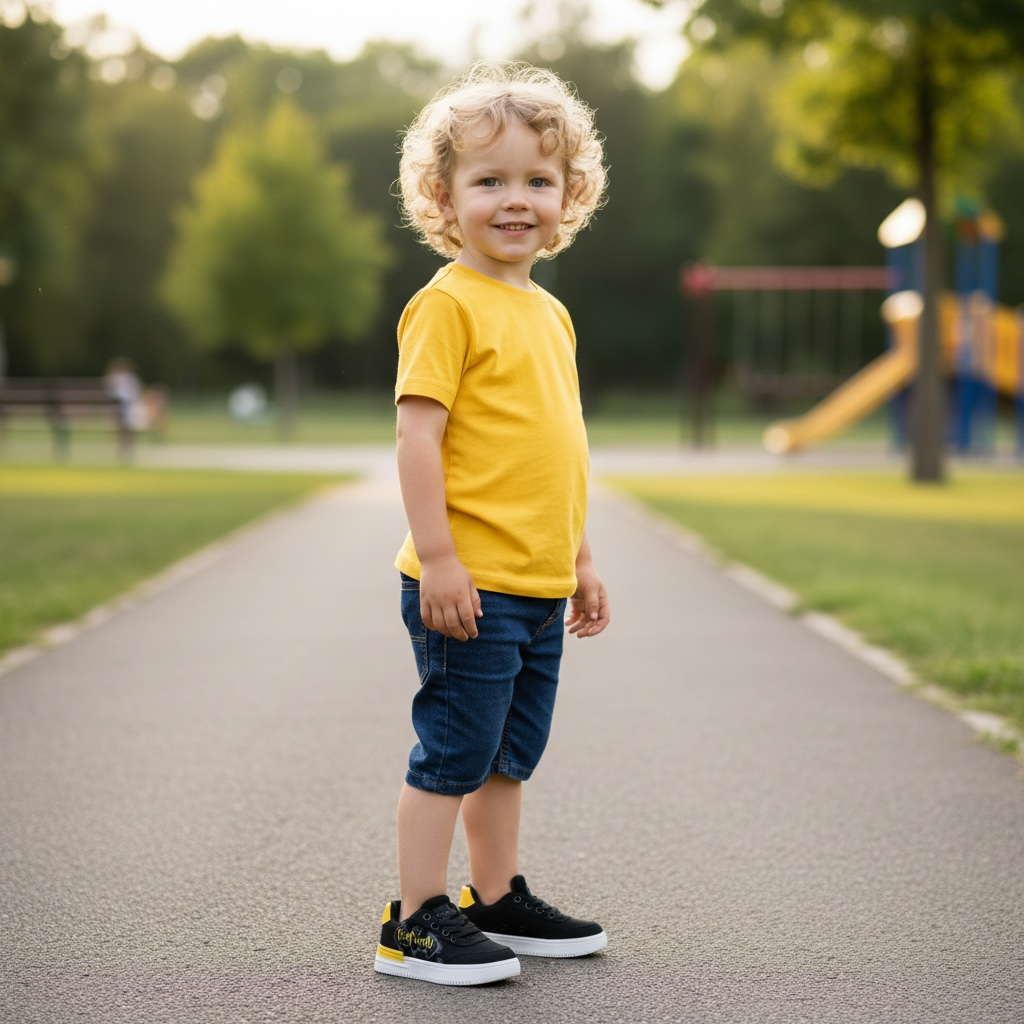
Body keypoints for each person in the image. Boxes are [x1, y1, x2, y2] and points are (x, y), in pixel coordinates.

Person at [374, 61, 611, 987]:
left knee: (508, 756)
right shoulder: (447, 304)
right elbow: (417, 436)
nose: (516, 199)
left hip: (537, 583)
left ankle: (496, 894)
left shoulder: (550, 314)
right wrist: (437, 557)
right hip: (467, 582)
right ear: (444, 196)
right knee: (454, 753)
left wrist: (579, 557)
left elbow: (558, 452)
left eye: (538, 180)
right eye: (490, 180)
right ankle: (415, 919)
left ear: (568, 197)